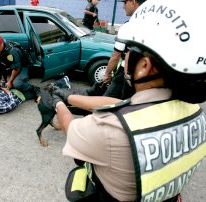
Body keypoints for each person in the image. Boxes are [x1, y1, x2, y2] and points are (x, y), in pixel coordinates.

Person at [52, 0, 206, 201]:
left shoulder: (111, 130)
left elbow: (71, 128)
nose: (126, 59)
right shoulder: (195, 113)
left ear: (144, 65)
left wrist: (58, 102)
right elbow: (120, 105)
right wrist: (70, 96)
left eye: (129, 53)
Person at [103, 0, 146, 99]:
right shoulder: (155, 25)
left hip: (126, 75)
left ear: (133, 2)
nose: (123, 7)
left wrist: (107, 74)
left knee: (105, 106)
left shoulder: (128, 27)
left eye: (125, 2)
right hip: (147, 75)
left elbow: (115, 56)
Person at [0, 33, 39, 100]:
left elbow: (16, 69)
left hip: (23, 66)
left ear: (1, 43)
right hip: (11, 65)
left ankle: (34, 88)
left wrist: (10, 81)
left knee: (17, 84)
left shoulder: (12, 51)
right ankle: (0, 81)